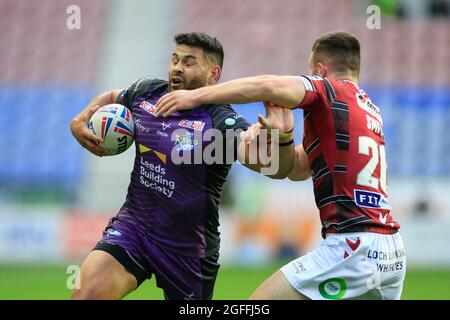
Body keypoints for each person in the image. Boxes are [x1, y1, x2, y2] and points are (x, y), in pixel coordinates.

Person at [155, 31, 406, 300]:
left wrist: (196, 97)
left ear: (319, 69)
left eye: (310, 71)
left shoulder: (329, 89)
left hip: (353, 244)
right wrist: (285, 137)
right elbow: (297, 169)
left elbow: (268, 85)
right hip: (390, 251)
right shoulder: (366, 110)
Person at [69, 32, 295, 300]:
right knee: (85, 295)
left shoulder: (221, 122)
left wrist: (282, 138)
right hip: (135, 228)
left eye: (189, 62)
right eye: (175, 59)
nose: (177, 67)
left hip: (188, 249)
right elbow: (112, 96)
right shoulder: (147, 93)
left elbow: (272, 166)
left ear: (213, 74)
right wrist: (81, 119)